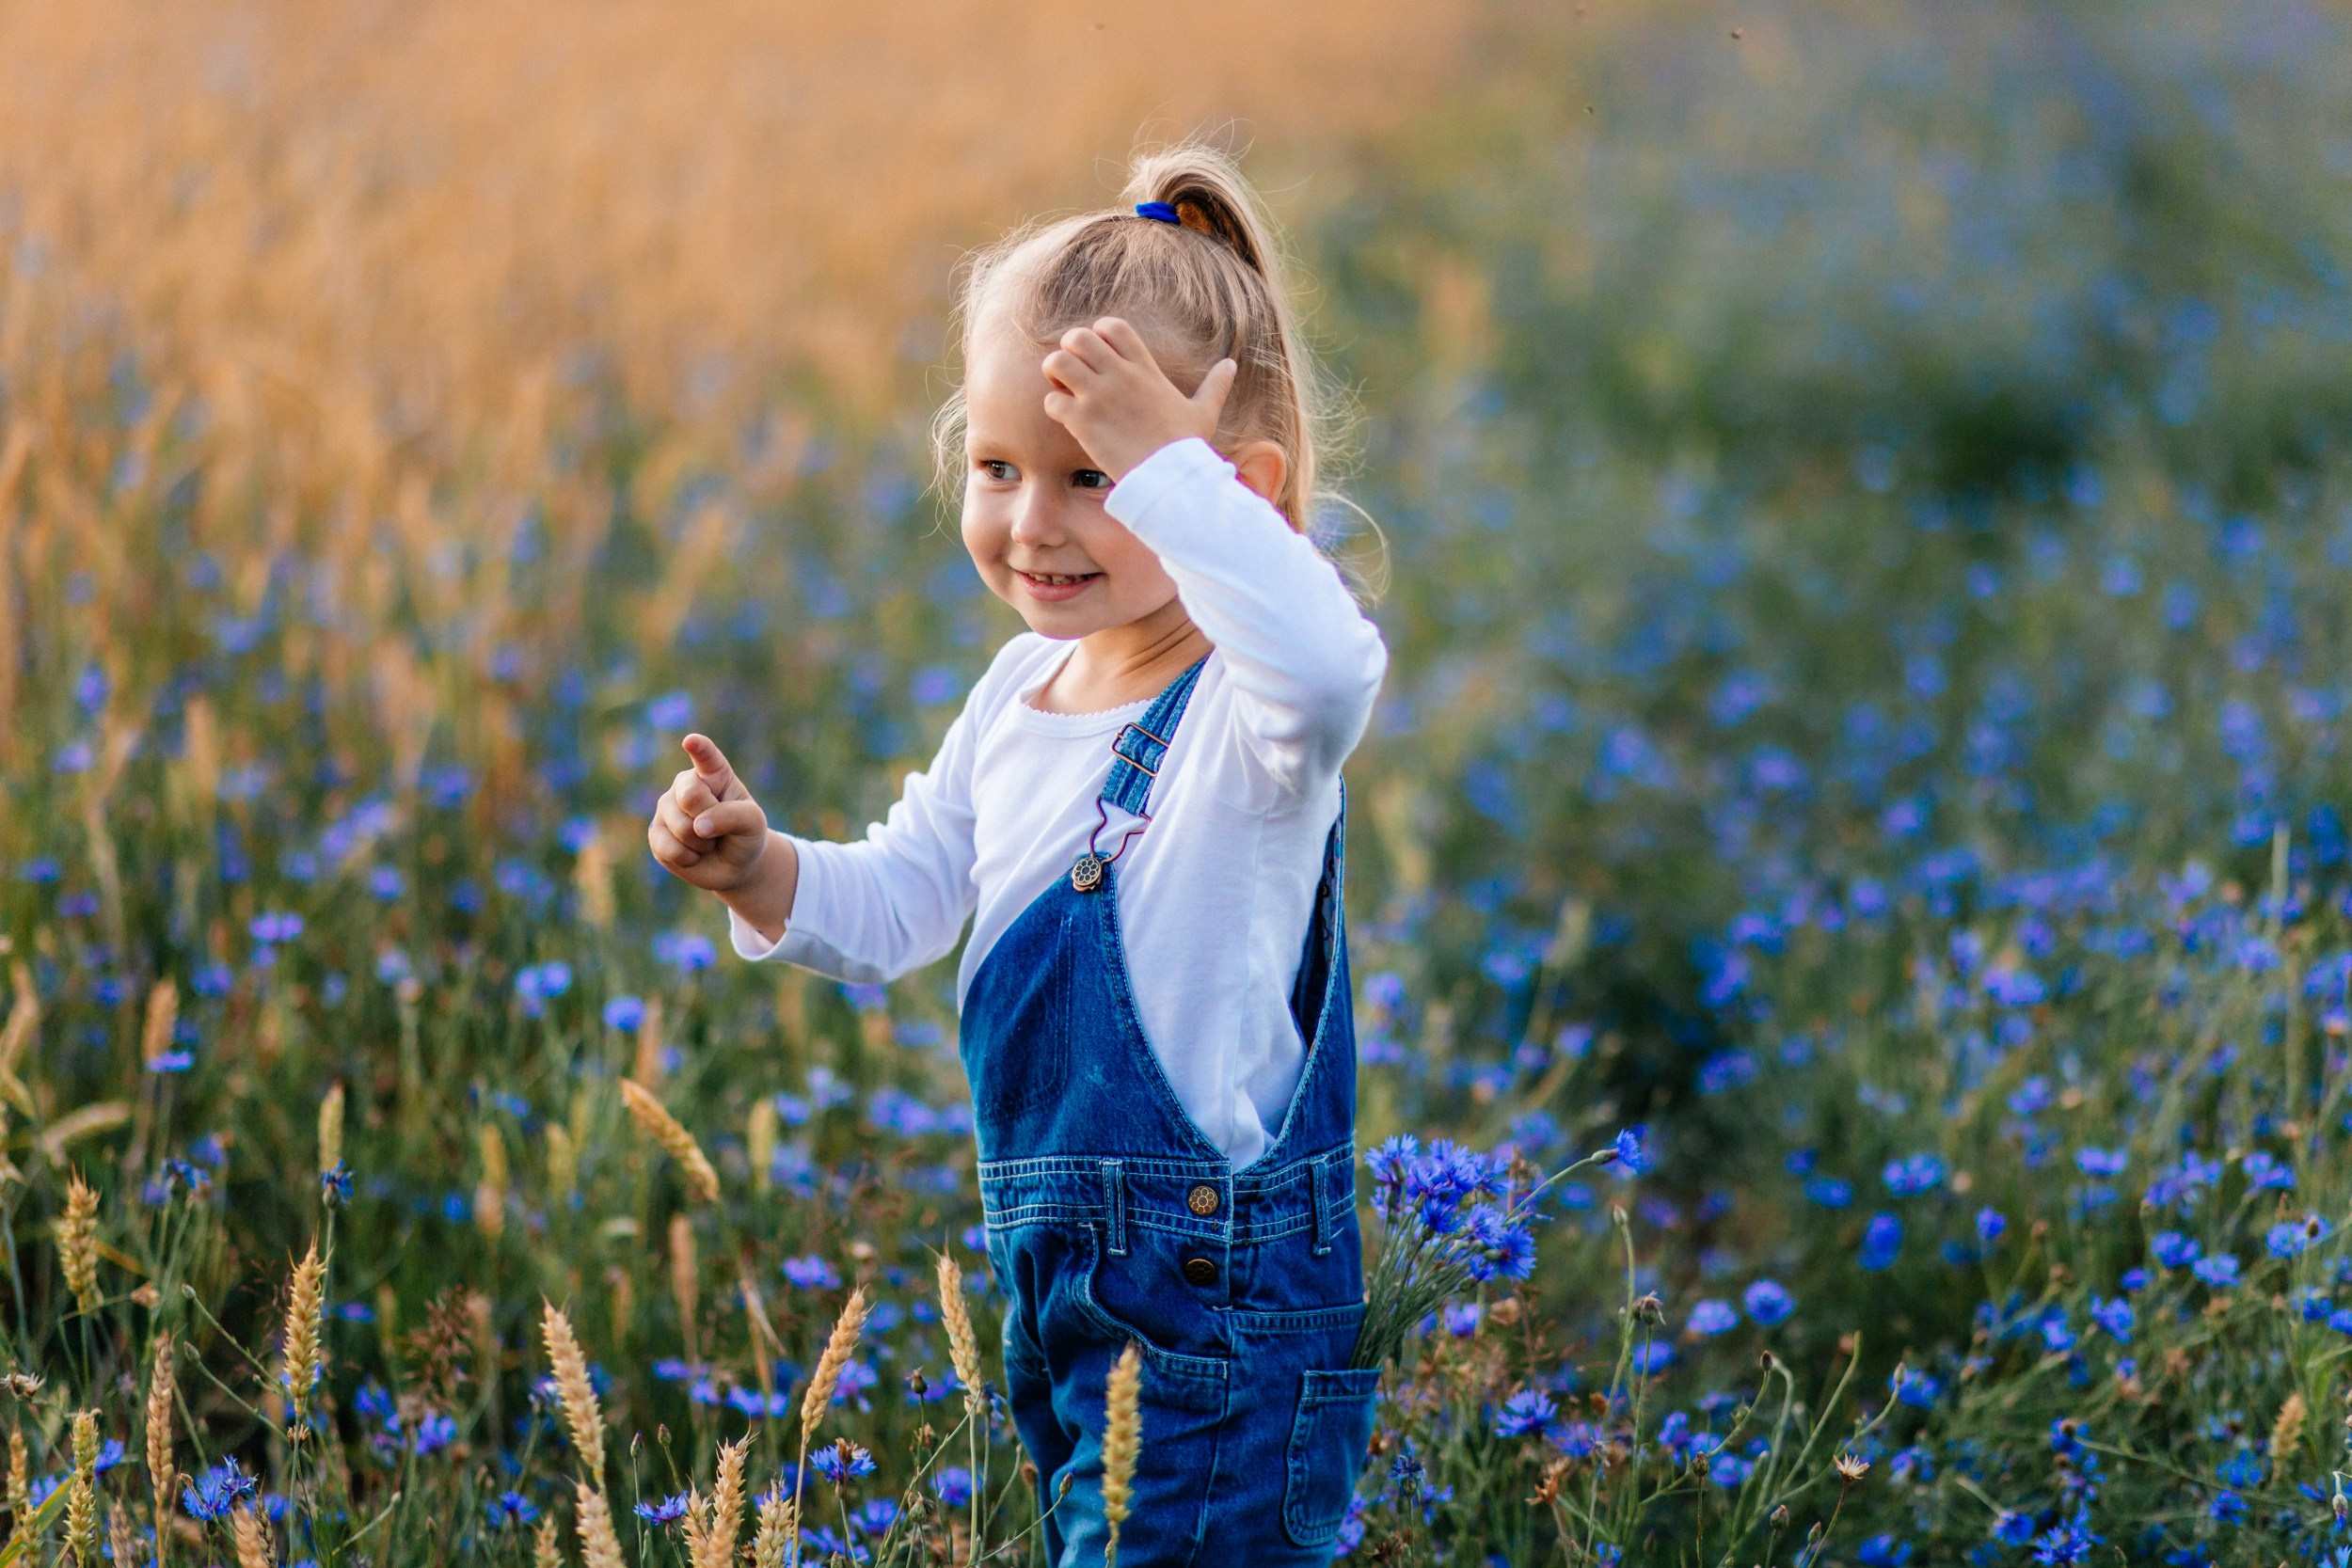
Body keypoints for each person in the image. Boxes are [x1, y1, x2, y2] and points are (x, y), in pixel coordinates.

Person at [647, 141, 1387, 1565]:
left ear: (1234, 492)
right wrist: (759, 868)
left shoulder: (1249, 718)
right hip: (1057, 1301)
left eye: (1096, 475)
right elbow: (904, 898)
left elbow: (1332, 663)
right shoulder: (1016, 695)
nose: (1033, 523)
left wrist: (1178, 479)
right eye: (998, 467)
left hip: (1214, 1319)